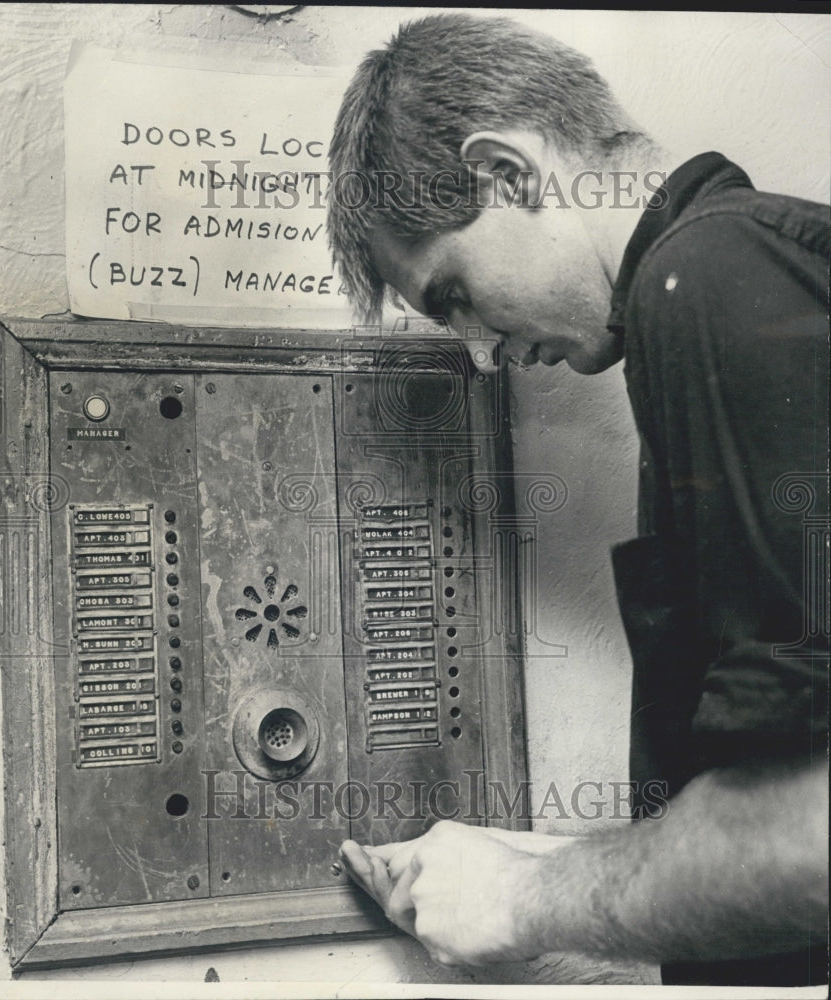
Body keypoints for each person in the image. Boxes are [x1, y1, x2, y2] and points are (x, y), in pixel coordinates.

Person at [325, 13, 829, 987]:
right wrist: (539, 865)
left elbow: (810, 831)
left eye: (454, 294)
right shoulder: (765, 262)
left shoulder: (707, 283)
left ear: (509, 173)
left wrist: (521, 903)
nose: (478, 349)